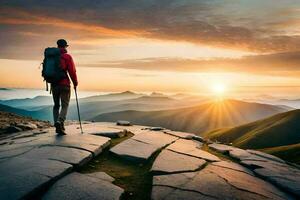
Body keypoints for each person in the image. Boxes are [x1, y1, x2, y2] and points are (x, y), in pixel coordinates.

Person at [52, 39, 78, 135]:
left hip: (54, 84)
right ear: (65, 47)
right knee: (65, 105)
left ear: (57, 46)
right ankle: (60, 122)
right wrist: (75, 83)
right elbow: (72, 71)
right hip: (64, 84)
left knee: (56, 105)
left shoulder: (52, 57)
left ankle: (56, 124)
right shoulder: (67, 57)